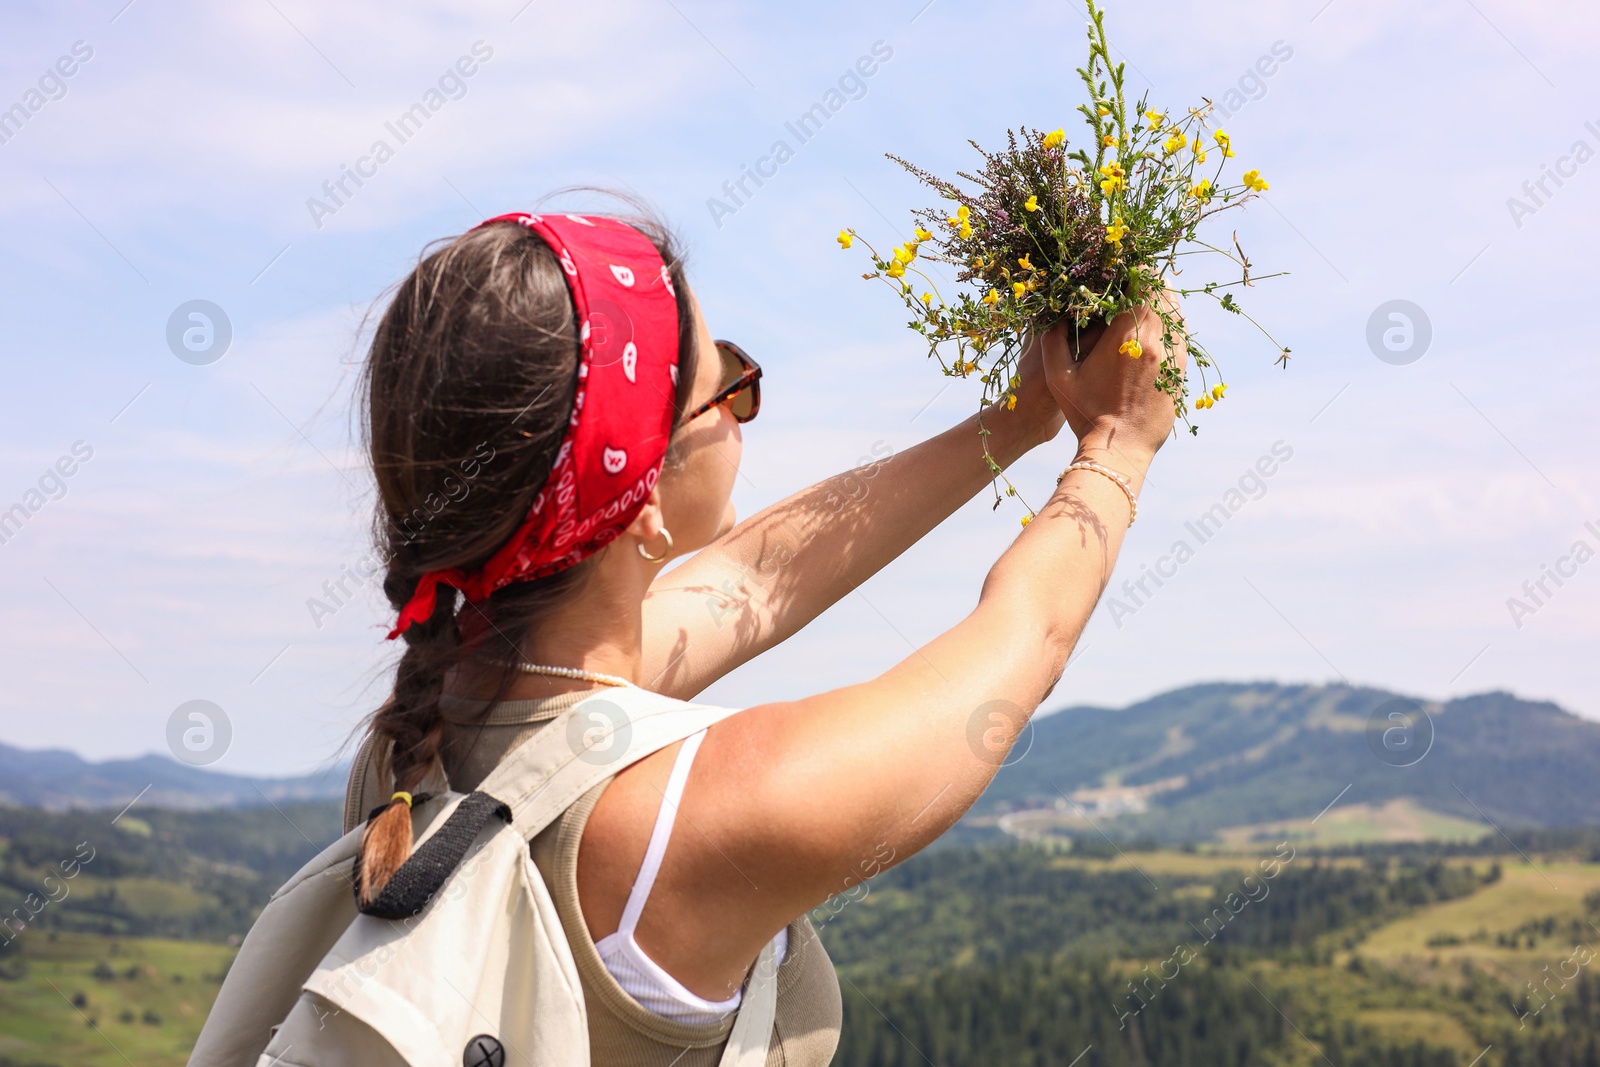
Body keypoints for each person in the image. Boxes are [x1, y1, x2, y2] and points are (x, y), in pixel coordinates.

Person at [343, 208, 1181, 1065]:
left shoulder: (413, 750)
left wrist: (1020, 418)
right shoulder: (699, 815)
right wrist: (1119, 446)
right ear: (641, 492)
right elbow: (1021, 642)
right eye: (728, 382)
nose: (746, 406)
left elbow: (758, 578)